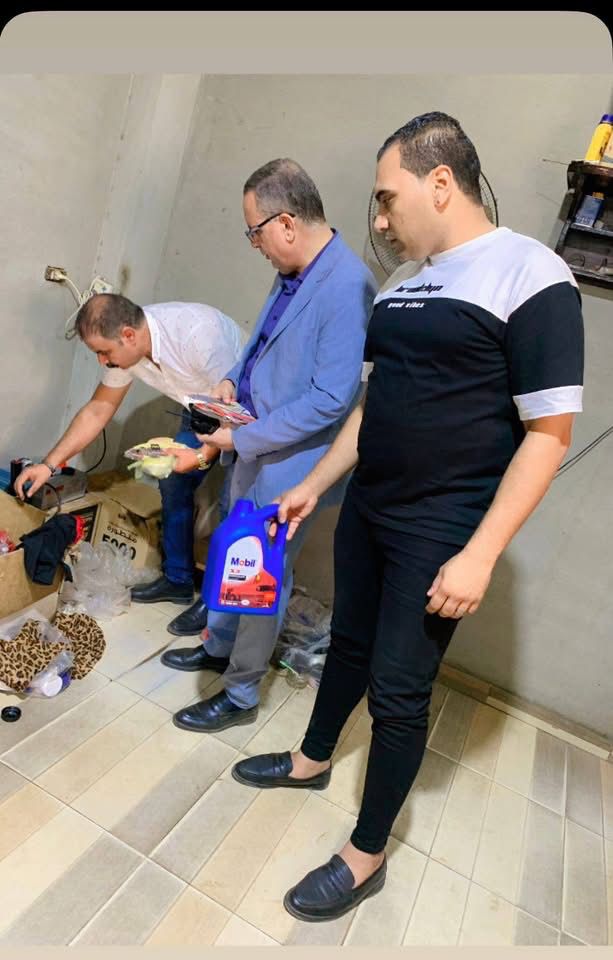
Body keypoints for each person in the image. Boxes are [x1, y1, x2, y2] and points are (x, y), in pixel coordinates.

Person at [230, 112, 585, 923]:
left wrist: (480, 553)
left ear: (440, 182)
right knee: (347, 644)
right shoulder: (401, 286)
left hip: (440, 525)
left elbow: (546, 434)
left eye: (387, 198)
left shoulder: (529, 274)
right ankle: (311, 759)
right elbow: (369, 406)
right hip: (370, 507)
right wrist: (314, 484)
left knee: (398, 688)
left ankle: (366, 854)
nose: (380, 220)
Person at [162, 158, 378, 734]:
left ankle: (240, 694)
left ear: (285, 222)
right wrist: (231, 379)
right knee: (233, 555)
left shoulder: (348, 285)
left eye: (254, 231)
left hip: (291, 463)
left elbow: (331, 399)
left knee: (260, 575)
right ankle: (218, 647)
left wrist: (243, 436)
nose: (254, 244)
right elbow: (261, 345)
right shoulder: (294, 270)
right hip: (253, 446)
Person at [15, 293, 243, 636]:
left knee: (234, 507)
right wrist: (49, 465)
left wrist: (199, 457)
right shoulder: (127, 348)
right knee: (173, 481)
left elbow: (230, 413)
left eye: (104, 352)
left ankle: (216, 607)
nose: (102, 361)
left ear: (128, 335)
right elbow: (98, 409)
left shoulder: (199, 335)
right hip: (198, 403)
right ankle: (178, 580)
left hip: (243, 410)